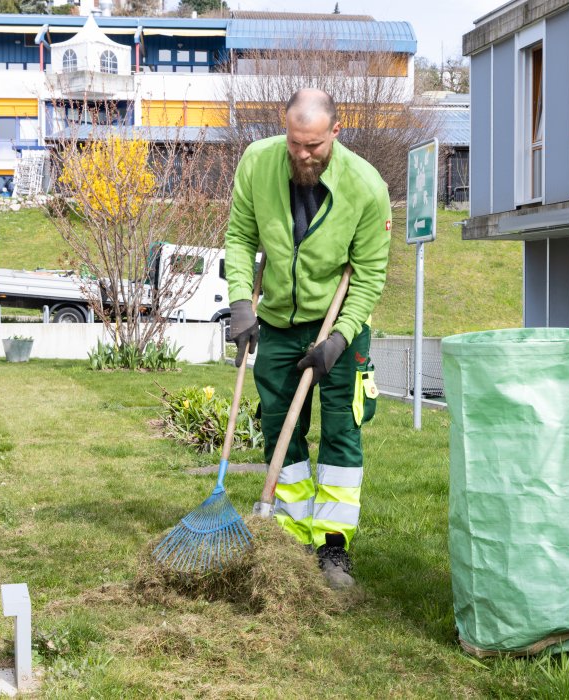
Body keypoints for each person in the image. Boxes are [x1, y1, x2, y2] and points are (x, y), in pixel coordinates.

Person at [224, 88, 391, 590]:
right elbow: (239, 238)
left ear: (336, 133)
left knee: (341, 431)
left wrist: (339, 340)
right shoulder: (257, 164)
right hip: (276, 321)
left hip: (339, 323)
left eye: (314, 146)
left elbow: (368, 274)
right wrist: (240, 303)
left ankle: (333, 546)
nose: (303, 154)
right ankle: (292, 536)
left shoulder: (365, 186)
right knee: (280, 429)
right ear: (285, 127)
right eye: (296, 143)